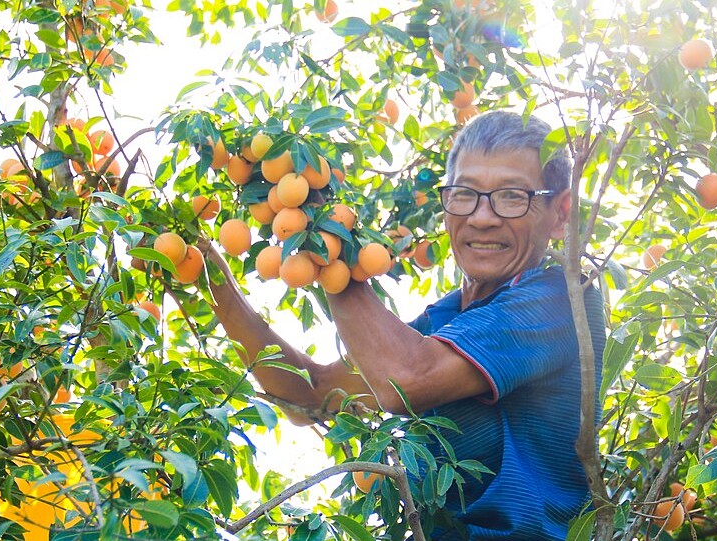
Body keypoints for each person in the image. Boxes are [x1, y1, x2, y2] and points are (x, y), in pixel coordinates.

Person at [200, 111, 606, 541]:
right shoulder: (443, 322)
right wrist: (215, 283)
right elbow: (314, 393)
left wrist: (325, 239)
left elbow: (407, 379)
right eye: (465, 194)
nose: (482, 217)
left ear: (560, 213)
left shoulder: (563, 299)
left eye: (511, 197)